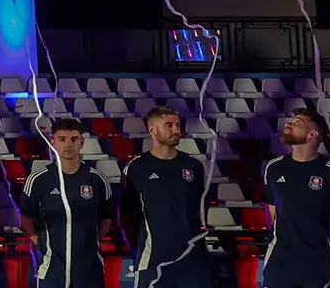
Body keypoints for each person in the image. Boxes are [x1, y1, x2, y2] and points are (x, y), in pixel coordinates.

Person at [119, 105, 213, 288]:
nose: (176, 130)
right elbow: (125, 217)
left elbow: (200, 208)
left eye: (177, 125)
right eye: (169, 125)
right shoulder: (136, 168)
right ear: (152, 130)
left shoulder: (194, 166)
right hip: (154, 260)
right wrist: (140, 248)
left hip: (193, 262)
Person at [259, 107, 330, 288]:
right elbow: (272, 212)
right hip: (281, 264)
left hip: (320, 266)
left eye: (297, 123)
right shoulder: (273, 168)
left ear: (313, 134)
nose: (289, 124)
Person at [20, 119, 115, 288]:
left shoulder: (97, 179)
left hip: (88, 269)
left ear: (82, 142)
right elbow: (26, 218)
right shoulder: (38, 180)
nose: (68, 145)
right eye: (62, 139)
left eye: (74, 139)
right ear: (53, 142)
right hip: (51, 268)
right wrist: (41, 242)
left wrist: (91, 240)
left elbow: (106, 219)